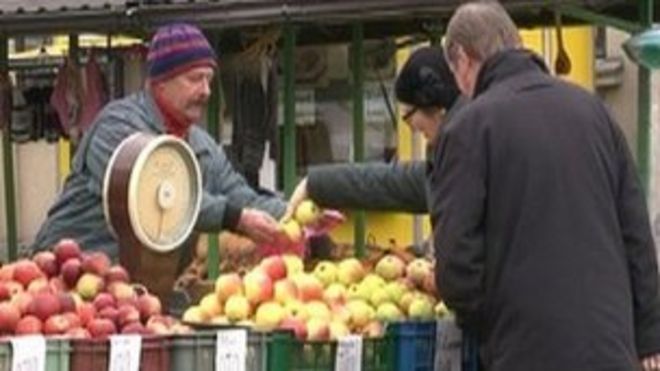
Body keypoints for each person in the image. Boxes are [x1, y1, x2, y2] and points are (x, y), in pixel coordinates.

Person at [430, 2, 660, 370]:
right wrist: (648, 336)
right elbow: (636, 234)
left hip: (526, 351)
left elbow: (456, 264)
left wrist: (494, 322)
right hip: (610, 348)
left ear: (464, 60)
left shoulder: (470, 128)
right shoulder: (593, 110)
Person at [32, 23, 286, 260]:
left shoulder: (203, 147)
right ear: (161, 82)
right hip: (66, 272)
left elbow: (244, 199)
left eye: (208, 80)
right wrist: (235, 218)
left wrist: (301, 210)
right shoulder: (118, 127)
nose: (206, 91)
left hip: (132, 286)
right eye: (195, 79)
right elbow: (155, 195)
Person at [284, 47, 463, 218]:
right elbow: (391, 184)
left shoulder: (469, 159)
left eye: (409, 114)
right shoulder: (452, 162)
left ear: (436, 104)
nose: (413, 128)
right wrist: (316, 184)